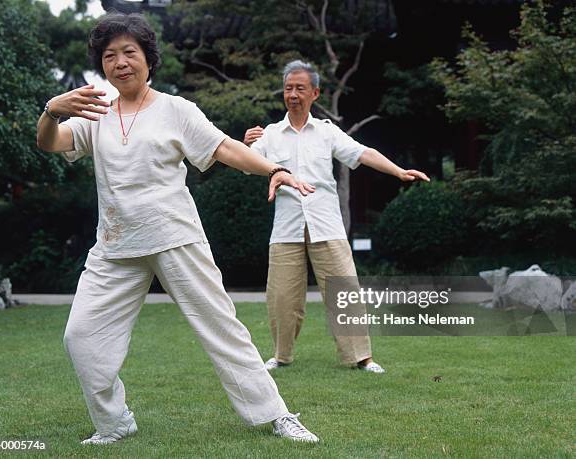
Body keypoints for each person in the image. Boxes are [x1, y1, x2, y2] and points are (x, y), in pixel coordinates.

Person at [36, 14, 319, 445]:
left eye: (130, 52)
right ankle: (114, 422)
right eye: (110, 56)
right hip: (114, 245)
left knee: (221, 328)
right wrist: (50, 111)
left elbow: (224, 147)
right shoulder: (95, 113)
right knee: (81, 336)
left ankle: (277, 415)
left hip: (175, 237)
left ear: (148, 58)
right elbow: (50, 142)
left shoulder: (176, 109)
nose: (120, 62)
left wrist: (273, 169)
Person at [243, 60, 430, 373]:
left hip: (325, 223)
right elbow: (247, 164)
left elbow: (362, 153)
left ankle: (361, 357)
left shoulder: (327, 133)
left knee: (345, 292)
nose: (293, 94)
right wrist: (246, 145)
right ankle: (281, 355)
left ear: (315, 93)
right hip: (286, 227)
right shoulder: (271, 135)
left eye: (300, 88)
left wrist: (398, 170)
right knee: (281, 297)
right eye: (288, 88)